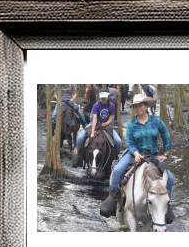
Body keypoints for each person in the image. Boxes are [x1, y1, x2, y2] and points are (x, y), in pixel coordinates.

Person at [100, 94, 175, 223]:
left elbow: (166, 135)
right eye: (136, 106)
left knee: (170, 178)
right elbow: (129, 143)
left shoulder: (156, 121)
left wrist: (166, 153)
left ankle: (165, 205)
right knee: (118, 170)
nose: (138, 108)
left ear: (146, 106)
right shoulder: (131, 124)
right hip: (134, 153)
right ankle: (113, 199)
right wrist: (135, 154)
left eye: (140, 105)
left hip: (152, 155)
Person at [72, 91, 122, 167]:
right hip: (94, 123)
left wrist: (106, 124)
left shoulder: (111, 105)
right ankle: (79, 157)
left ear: (108, 97)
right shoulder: (96, 105)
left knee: (118, 141)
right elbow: (94, 119)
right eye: (102, 98)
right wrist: (92, 133)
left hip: (106, 125)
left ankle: (116, 159)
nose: (103, 99)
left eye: (105, 98)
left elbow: (111, 118)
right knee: (79, 138)